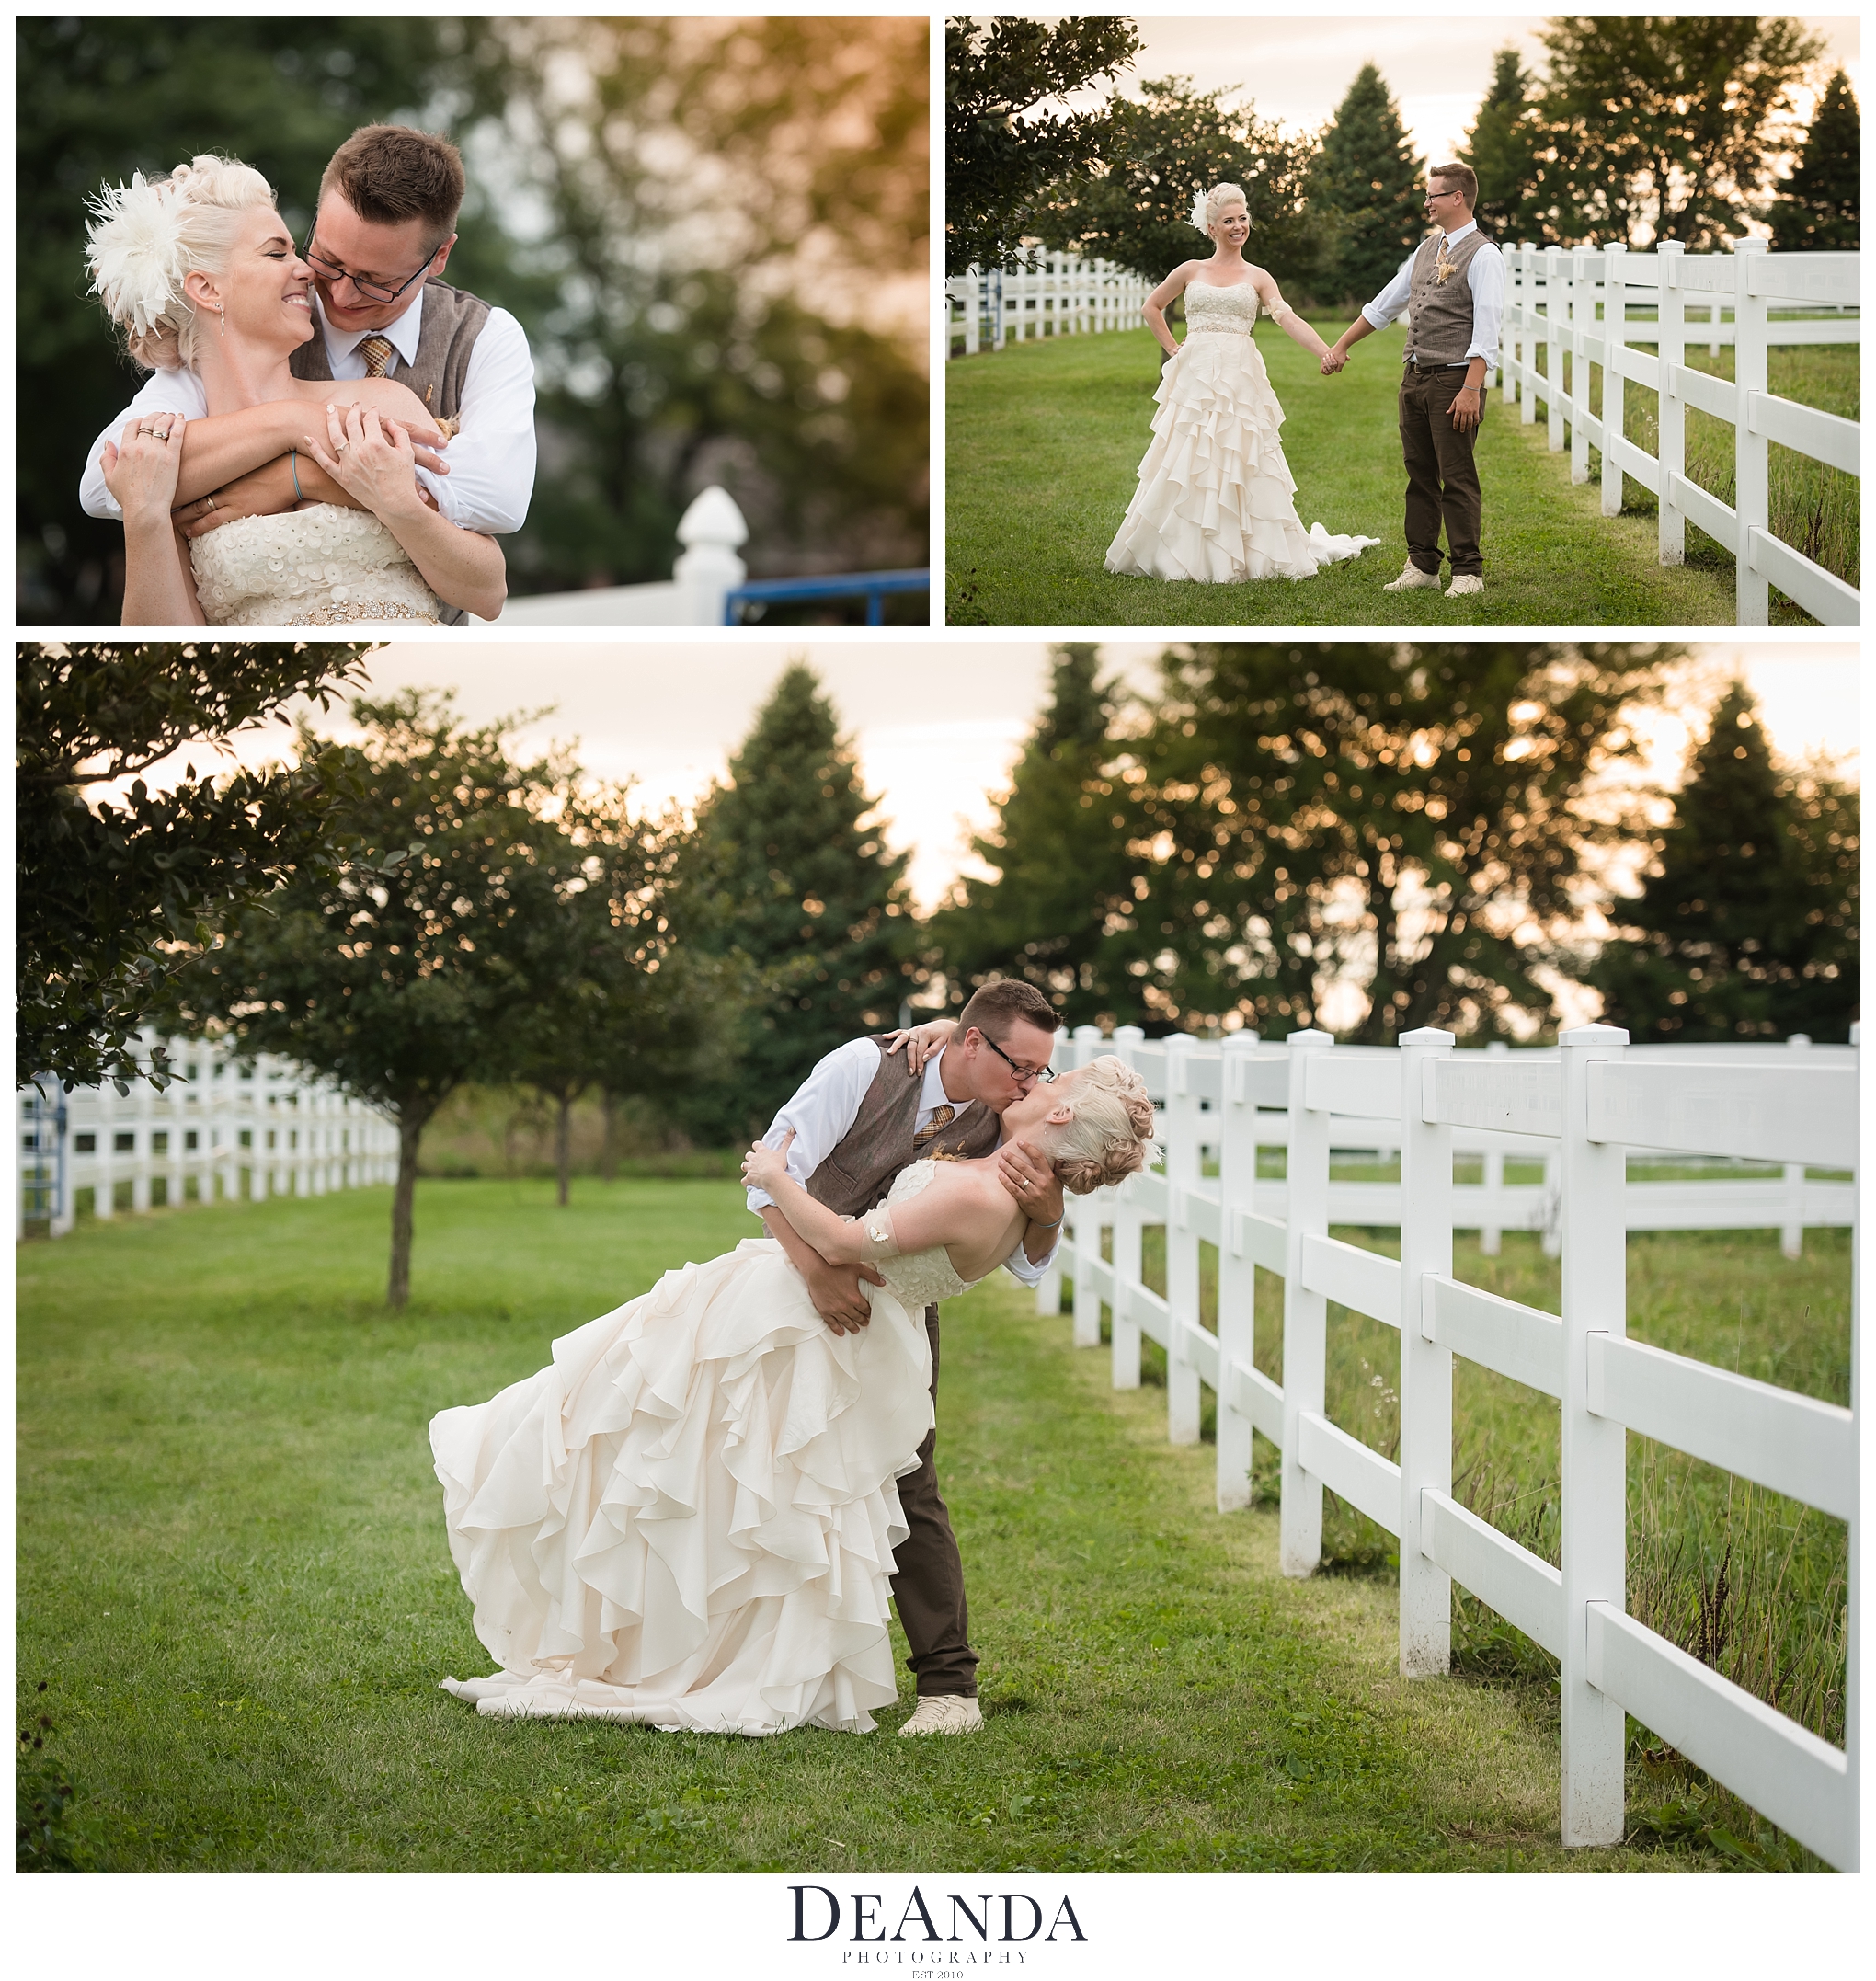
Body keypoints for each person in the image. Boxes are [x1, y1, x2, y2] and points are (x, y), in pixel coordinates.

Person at [429, 1038, 1155, 1738]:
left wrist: (774, 1175)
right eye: (1029, 1067)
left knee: (843, 1486)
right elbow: (832, 1158)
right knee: (724, 1476)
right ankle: (699, 1644)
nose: (1036, 1080)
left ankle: (937, 1682)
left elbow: (854, 1237)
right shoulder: (906, 1089)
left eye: (1051, 1077)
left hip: (855, 1322)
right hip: (814, 1302)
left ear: (1060, 1115)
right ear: (971, 1043)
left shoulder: (1001, 1167)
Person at [80, 126, 534, 625]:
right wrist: (294, 422)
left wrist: (297, 475)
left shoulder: (477, 342)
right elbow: (108, 482)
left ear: (438, 258)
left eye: (376, 282)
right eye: (324, 258)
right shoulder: (195, 391)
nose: (335, 294)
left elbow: (498, 502)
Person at [1105, 181, 1378, 584]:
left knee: (1239, 453)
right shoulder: (1190, 270)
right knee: (1190, 452)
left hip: (1239, 375)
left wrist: (1327, 350)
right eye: (1228, 221)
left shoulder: (1258, 276)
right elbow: (1152, 306)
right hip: (1196, 374)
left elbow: (1287, 318)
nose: (1237, 226)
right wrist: (1174, 349)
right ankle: (1180, 546)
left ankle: (1243, 548)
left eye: (1242, 218)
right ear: (1212, 228)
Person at [1321, 162, 1505, 598]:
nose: (1426, 203)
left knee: (1456, 475)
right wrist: (1342, 346)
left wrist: (1471, 389)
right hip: (1415, 378)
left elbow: (1488, 328)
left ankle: (1468, 572)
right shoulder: (1425, 251)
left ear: (1457, 198)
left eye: (1433, 195)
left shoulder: (1484, 255)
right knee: (1419, 474)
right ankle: (1422, 564)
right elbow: (1384, 305)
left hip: (1455, 381)